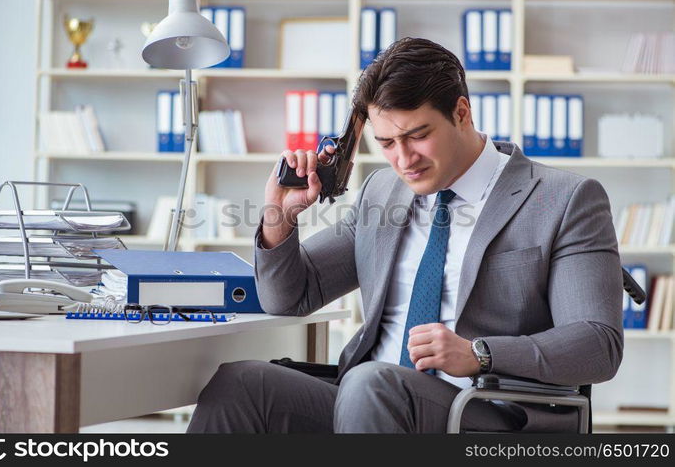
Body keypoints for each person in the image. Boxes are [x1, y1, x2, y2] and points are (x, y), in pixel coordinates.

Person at [187, 37, 623, 433]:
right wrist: (279, 218)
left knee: (370, 384)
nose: (403, 159)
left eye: (417, 136)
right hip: (369, 400)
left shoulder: (563, 199)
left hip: (490, 411)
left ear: (461, 112)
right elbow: (289, 296)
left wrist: (481, 353)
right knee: (240, 383)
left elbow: (597, 343)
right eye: (387, 143)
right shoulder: (382, 192)